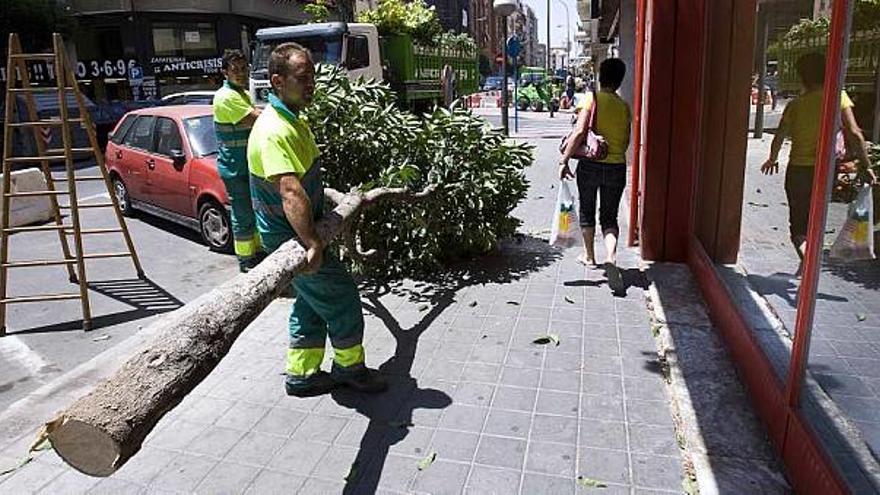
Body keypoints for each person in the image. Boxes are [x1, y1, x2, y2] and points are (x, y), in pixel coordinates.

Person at [247, 42, 388, 397]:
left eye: (312, 76)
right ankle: (349, 369)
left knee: (310, 304)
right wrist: (311, 243)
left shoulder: (291, 120)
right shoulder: (274, 129)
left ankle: (303, 373)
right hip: (291, 238)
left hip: (301, 232)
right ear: (277, 81)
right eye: (302, 77)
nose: (311, 84)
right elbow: (291, 191)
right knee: (341, 296)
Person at [761, 52, 877, 276]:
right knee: (817, 219)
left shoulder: (796, 105)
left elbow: (779, 136)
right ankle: (809, 261)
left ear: (802, 76)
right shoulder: (838, 97)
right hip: (825, 171)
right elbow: (854, 132)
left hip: (798, 170)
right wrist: (867, 165)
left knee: (798, 224)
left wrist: (772, 159)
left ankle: (806, 259)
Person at [558, 58, 632, 294]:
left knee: (587, 210)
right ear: (620, 80)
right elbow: (626, 140)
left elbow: (580, 131)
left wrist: (565, 159)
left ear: (601, 77)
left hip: (591, 165)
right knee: (609, 218)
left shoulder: (593, 98)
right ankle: (610, 256)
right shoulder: (624, 107)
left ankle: (589, 257)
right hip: (616, 166)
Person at [213, 49, 264, 272]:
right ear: (225, 72)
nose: (241, 74)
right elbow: (253, 119)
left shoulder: (240, 93)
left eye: (244, 69)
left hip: (245, 165)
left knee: (254, 211)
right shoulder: (226, 97)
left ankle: (258, 251)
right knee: (243, 214)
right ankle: (246, 260)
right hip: (235, 168)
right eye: (235, 70)